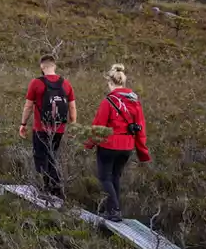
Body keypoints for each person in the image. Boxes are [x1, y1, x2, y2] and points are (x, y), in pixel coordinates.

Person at [83, 64, 151, 222]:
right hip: (127, 146)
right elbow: (140, 128)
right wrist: (142, 152)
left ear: (110, 82)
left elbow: (99, 127)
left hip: (109, 146)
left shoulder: (108, 101)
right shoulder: (135, 102)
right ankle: (113, 210)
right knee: (115, 178)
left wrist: (89, 144)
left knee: (105, 178)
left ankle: (114, 211)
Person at [18, 53, 77, 203]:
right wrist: (74, 125)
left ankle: (46, 188)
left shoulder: (36, 83)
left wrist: (23, 124)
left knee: (40, 157)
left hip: (41, 128)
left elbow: (28, 106)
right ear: (54, 66)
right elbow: (72, 106)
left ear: (42, 67)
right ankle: (56, 189)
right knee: (52, 156)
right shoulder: (66, 84)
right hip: (59, 129)